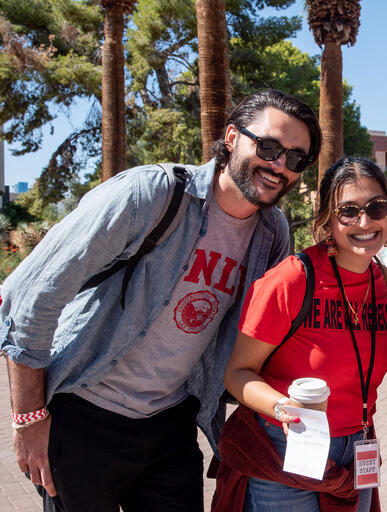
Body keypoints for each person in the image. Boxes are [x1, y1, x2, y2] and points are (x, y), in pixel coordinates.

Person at [0, 89, 321, 511]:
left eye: (295, 159)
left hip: (171, 422)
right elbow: (31, 297)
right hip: (83, 413)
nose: (279, 165)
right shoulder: (150, 194)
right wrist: (29, 420)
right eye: (268, 147)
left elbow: (267, 332)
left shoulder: (272, 233)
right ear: (230, 137)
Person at [214, 156, 387, 512]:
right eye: (348, 211)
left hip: (356, 447)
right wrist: (282, 406)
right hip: (285, 445)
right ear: (328, 220)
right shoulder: (292, 279)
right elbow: (237, 374)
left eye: (377, 207)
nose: (365, 221)